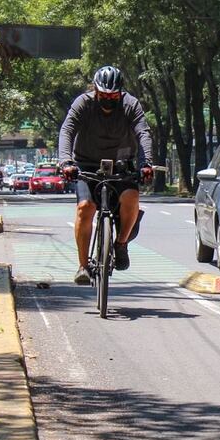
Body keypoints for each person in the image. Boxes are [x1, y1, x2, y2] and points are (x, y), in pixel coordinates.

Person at [58, 66, 154, 285]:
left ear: (120, 92)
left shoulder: (131, 105)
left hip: (122, 166)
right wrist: (66, 161)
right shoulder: (83, 103)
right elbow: (67, 130)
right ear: (95, 91)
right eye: (104, 95)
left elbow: (143, 133)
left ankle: (121, 244)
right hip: (86, 165)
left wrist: (146, 163)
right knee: (85, 208)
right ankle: (83, 266)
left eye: (113, 96)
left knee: (131, 198)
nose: (108, 99)